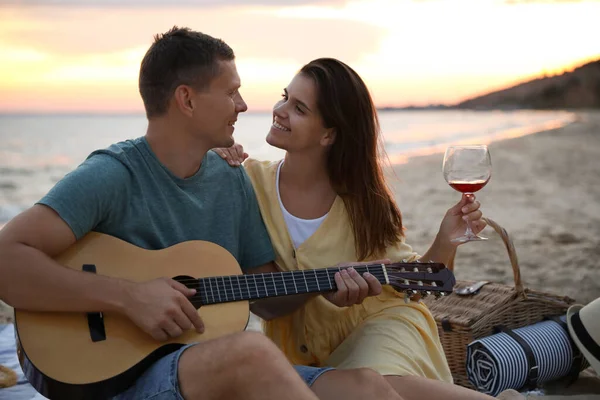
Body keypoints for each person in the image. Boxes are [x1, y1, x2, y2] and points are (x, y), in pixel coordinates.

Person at [0, 27, 385, 400]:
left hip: (203, 370)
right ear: (187, 100)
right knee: (251, 353)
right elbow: (7, 260)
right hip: (114, 382)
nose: (243, 105)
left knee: (365, 387)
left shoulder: (231, 180)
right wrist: (129, 297)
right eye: (231, 92)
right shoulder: (113, 175)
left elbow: (264, 298)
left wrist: (324, 284)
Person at [215, 57, 495, 400]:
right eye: (285, 96)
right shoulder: (247, 183)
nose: (280, 110)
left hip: (380, 324)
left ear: (329, 134)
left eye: (299, 108)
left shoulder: (364, 200)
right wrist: (206, 154)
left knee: (378, 381)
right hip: (298, 352)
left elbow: (416, 282)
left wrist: (446, 240)